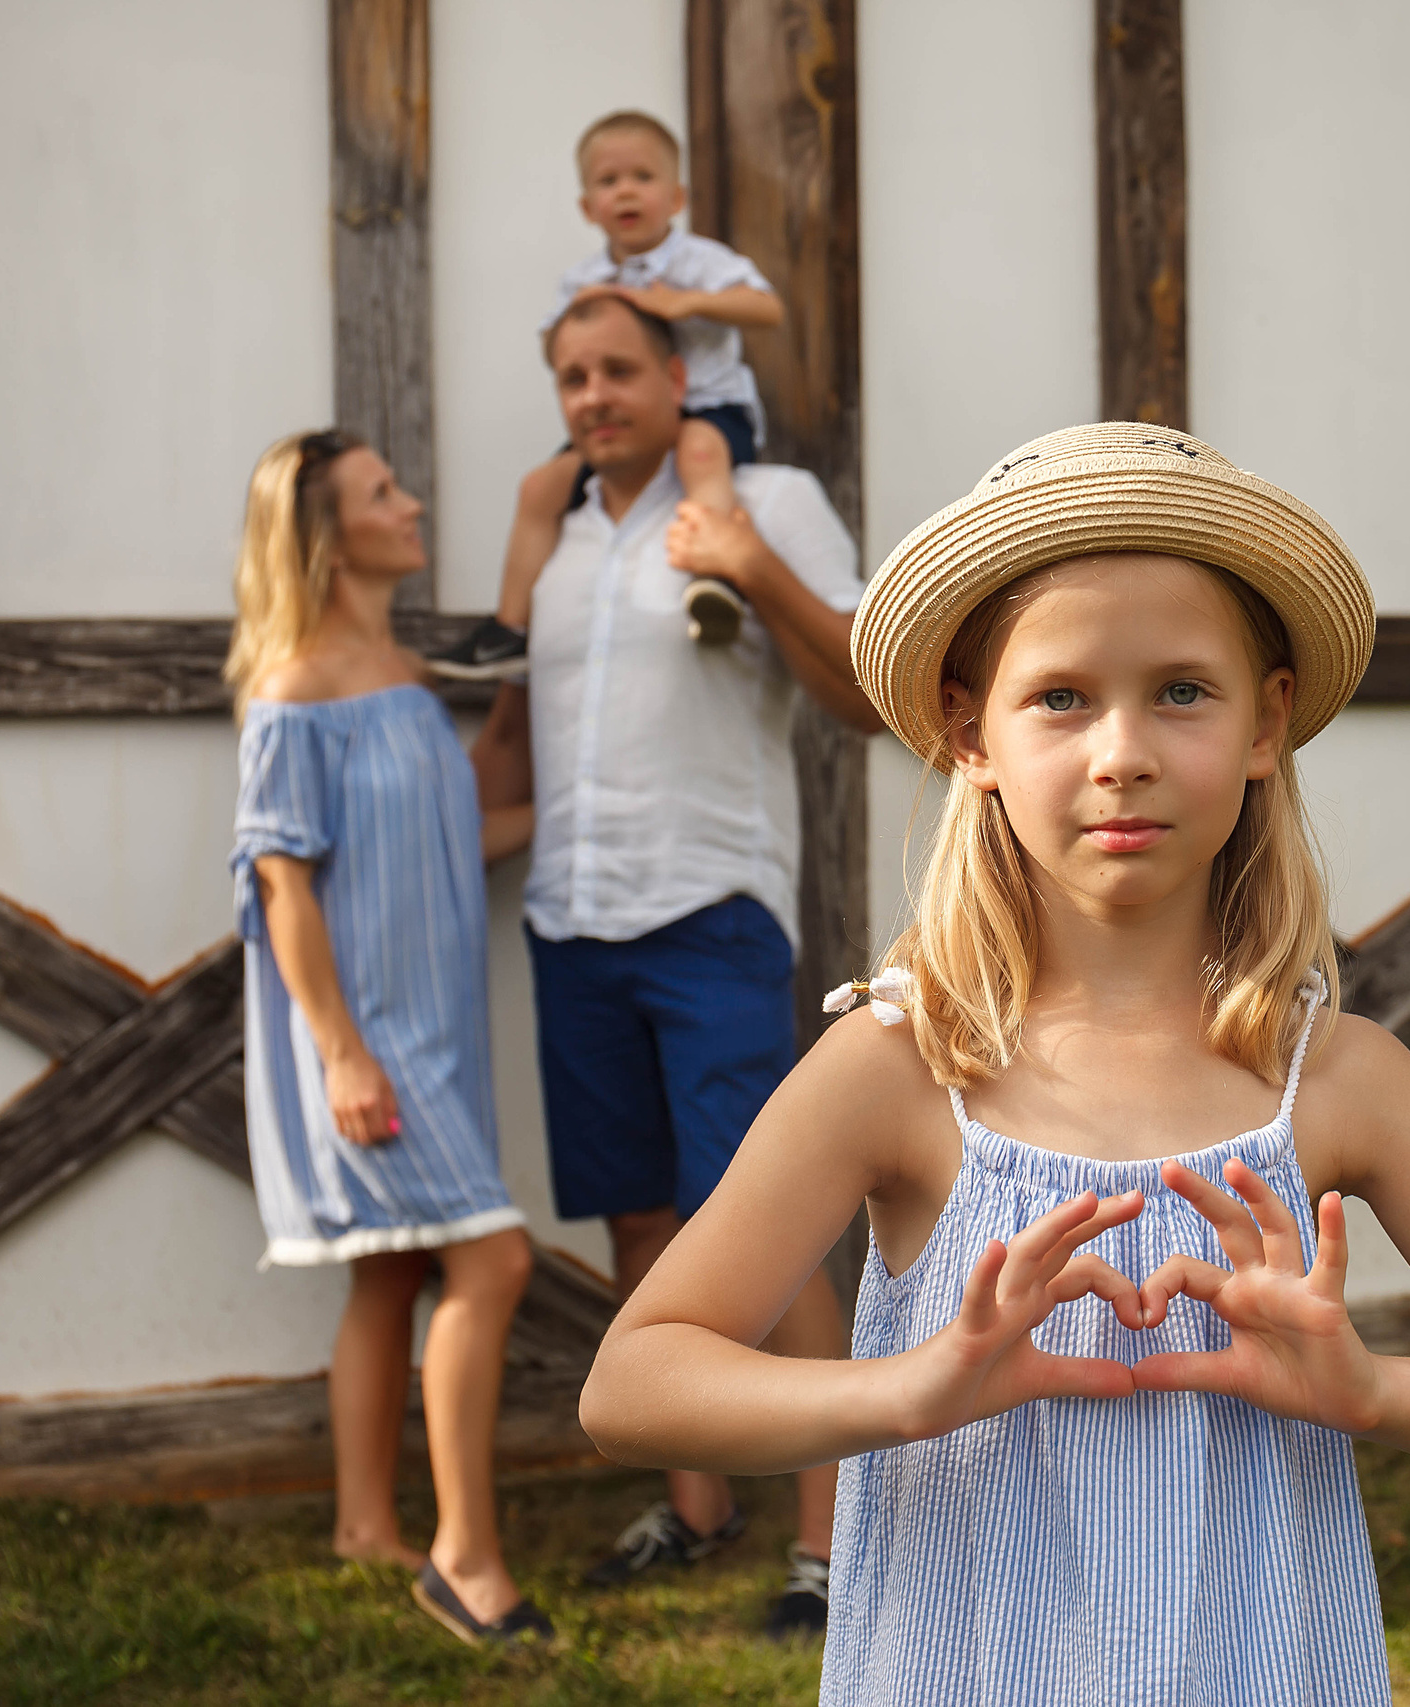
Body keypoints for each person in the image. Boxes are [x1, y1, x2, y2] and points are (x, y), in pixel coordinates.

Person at [576, 423, 1410, 1701]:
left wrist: (1372, 1389)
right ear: (970, 733)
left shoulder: (1341, 1078)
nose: (1123, 752)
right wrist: (912, 1389)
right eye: (1061, 697)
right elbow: (634, 1385)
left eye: (1182, 692)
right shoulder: (901, 1066)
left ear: (1266, 723)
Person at [464, 292, 883, 1637]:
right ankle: (696, 1506)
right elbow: (513, 725)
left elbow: (864, 694)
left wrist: (748, 561)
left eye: (617, 369)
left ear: (677, 375)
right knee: (640, 1222)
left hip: (712, 911)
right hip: (572, 916)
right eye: (571, 377)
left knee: (771, 1229)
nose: (593, 395)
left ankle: (834, 1544)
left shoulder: (765, 499)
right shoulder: (555, 530)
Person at [225, 429, 552, 1649]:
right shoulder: (291, 693)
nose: (410, 505)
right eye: (381, 494)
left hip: (436, 1026)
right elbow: (281, 887)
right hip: (366, 1037)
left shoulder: (404, 677)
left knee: (392, 1269)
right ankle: (463, 1560)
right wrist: (341, 1054)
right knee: (494, 1263)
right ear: (325, 536)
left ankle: (365, 1525)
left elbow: (451, 841)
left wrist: (586, 814)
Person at [430, 108, 784, 680]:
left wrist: (686, 303)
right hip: (626, 419)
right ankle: (510, 630)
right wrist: (581, 319)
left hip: (706, 406)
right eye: (608, 181)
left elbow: (766, 308)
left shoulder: (700, 261)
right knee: (540, 487)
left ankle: (715, 580)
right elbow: (553, 346)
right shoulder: (584, 279)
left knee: (701, 456)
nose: (626, 191)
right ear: (587, 208)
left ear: (676, 198)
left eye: (643, 177)